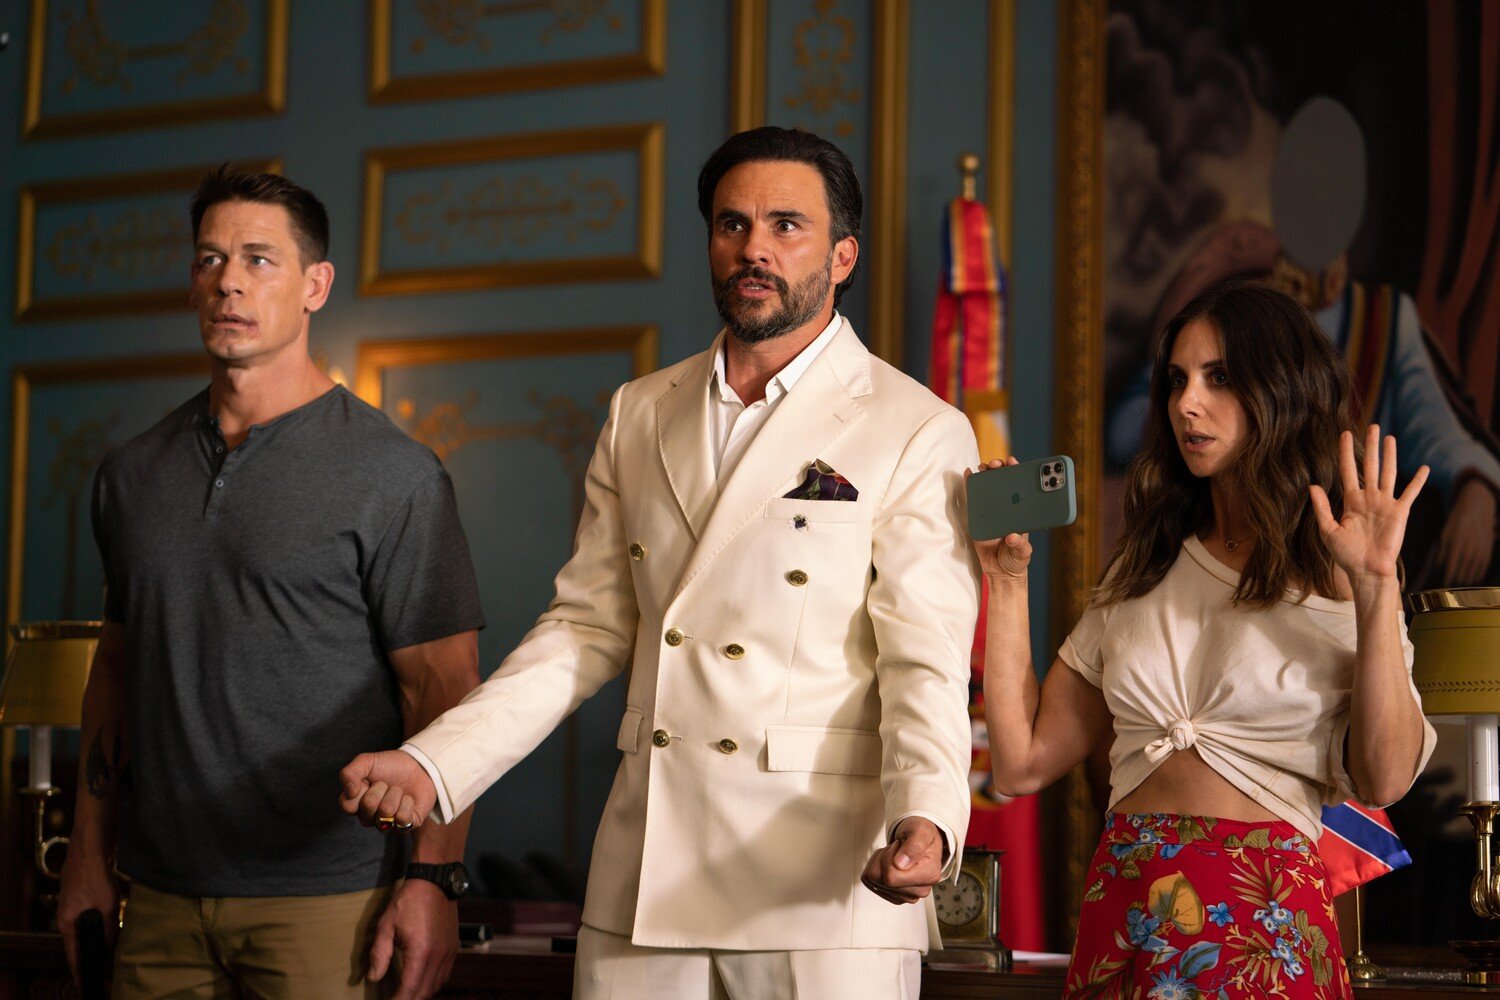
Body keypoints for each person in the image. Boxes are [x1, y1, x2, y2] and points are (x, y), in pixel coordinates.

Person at [338, 126, 980, 1000]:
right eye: (732, 224)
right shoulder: (640, 411)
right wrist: (437, 764)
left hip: (824, 893)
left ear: (843, 256)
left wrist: (930, 816)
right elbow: (583, 631)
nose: (754, 248)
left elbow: (924, 662)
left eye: (786, 225)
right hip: (647, 877)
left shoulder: (916, 426)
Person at [56, 168, 486, 1000]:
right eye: (210, 259)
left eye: (259, 259)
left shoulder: (393, 474)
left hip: (329, 903)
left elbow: (446, 688)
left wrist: (434, 880)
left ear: (315, 285)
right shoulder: (130, 475)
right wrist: (86, 856)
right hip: (158, 898)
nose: (230, 282)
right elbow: (115, 671)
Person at [977, 280, 1436, 998]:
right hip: (1127, 909)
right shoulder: (1145, 563)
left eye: (1219, 377)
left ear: (1280, 390)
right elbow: (1020, 762)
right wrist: (1005, 582)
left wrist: (1377, 588)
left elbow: (1384, 779)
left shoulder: (1344, 568)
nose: (1187, 402)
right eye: (1177, 379)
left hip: (1263, 920)